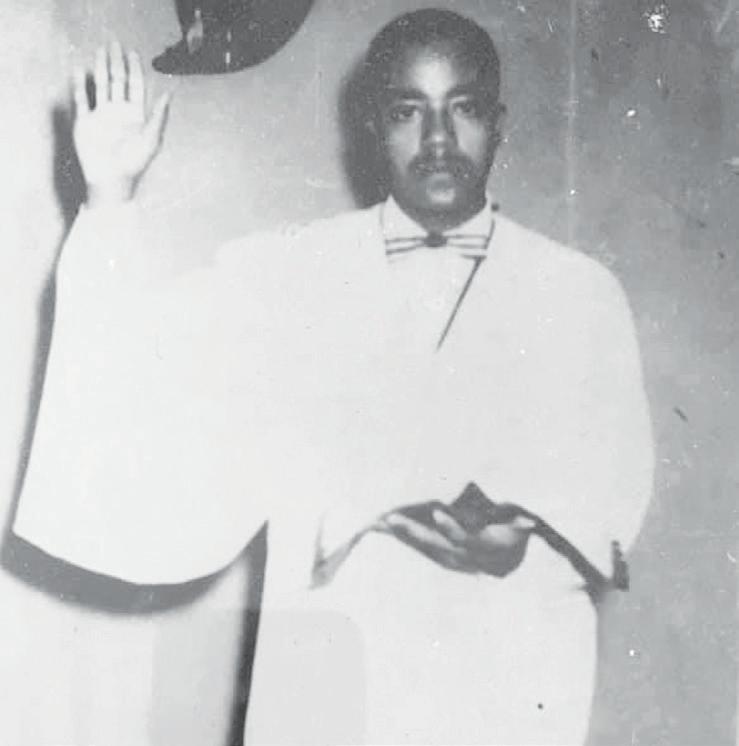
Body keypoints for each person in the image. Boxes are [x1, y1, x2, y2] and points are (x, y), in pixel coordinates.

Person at [13, 9, 654, 744]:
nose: (438, 140)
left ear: (498, 123)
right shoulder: (285, 275)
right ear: (373, 125)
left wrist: (531, 536)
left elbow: (610, 490)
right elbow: (141, 387)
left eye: (465, 108)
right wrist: (109, 198)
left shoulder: (578, 295)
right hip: (334, 693)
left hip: (506, 688)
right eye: (408, 111)